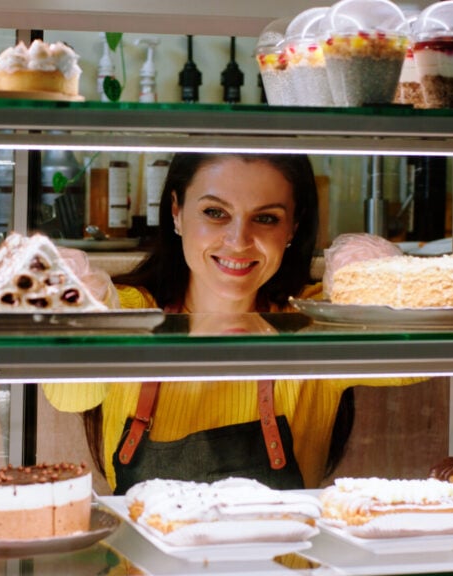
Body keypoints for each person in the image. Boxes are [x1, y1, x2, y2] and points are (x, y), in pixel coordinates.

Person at [42, 152, 418, 494]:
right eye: (215, 213)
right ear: (176, 211)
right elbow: (71, 395)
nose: (239, 241)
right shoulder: (129, 309)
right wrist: (81, 303)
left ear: (293, 228)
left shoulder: (315, 317)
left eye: (266, 218)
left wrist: (381, 280)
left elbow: (415, 368)